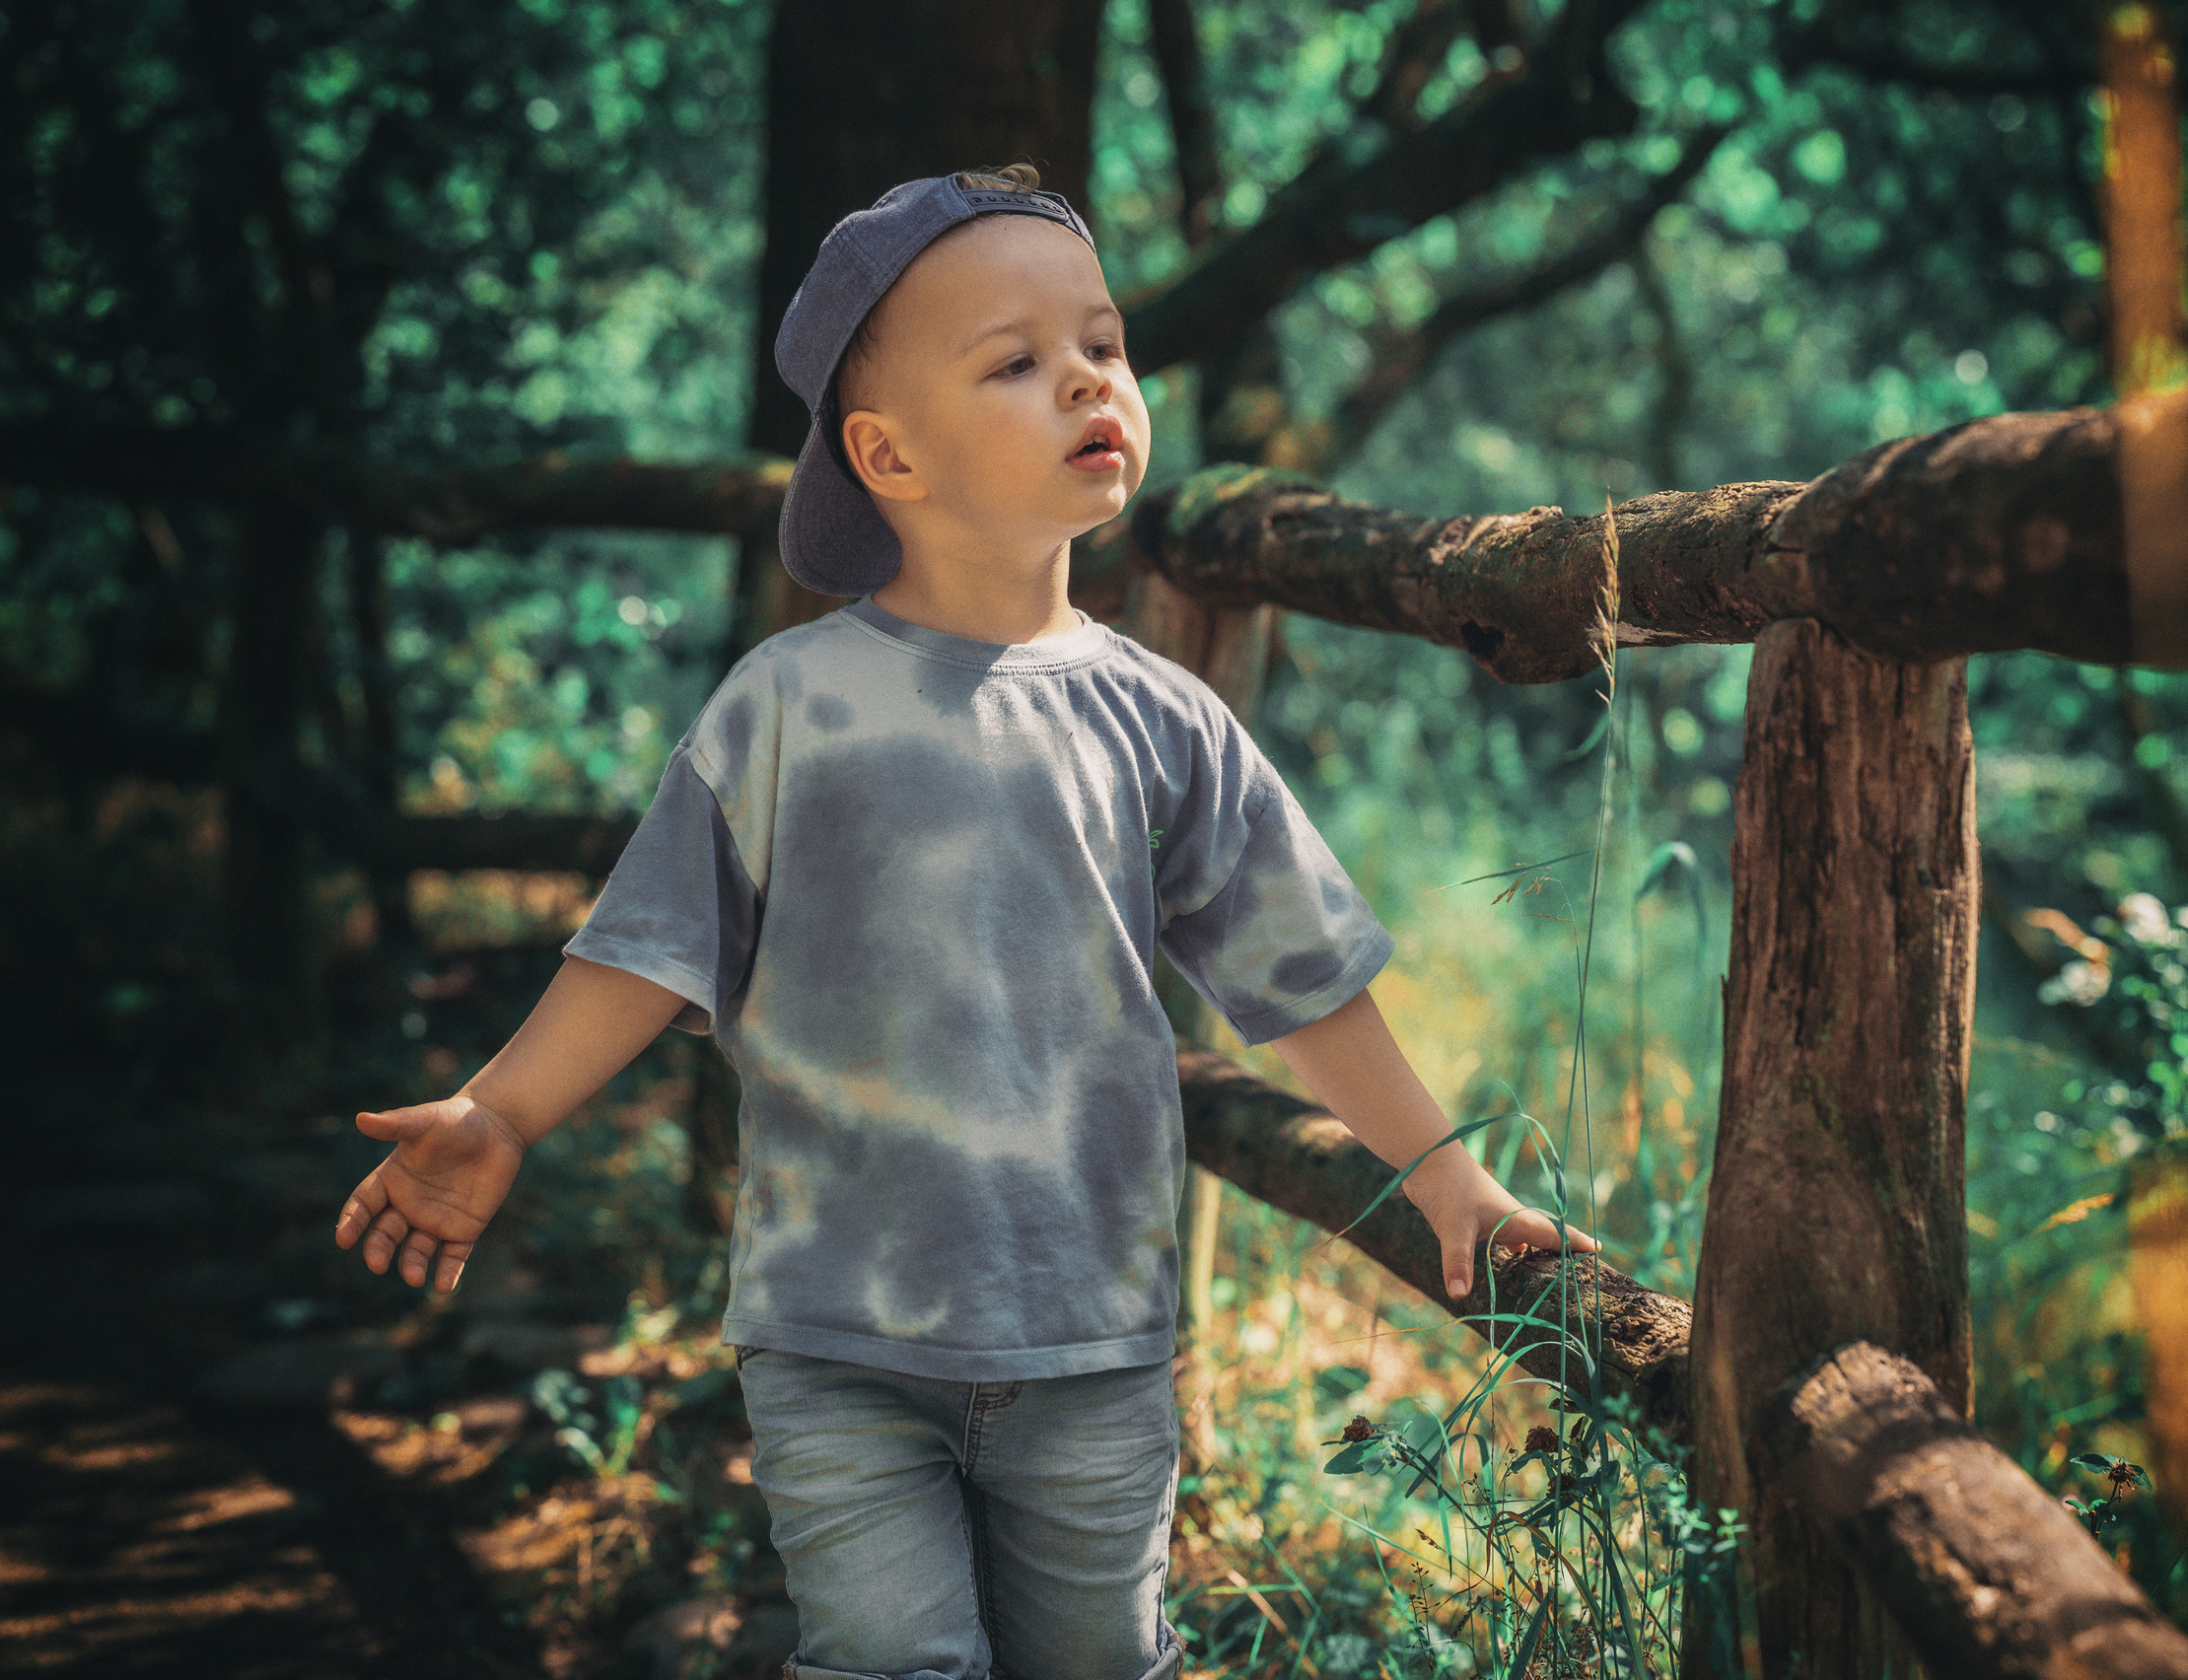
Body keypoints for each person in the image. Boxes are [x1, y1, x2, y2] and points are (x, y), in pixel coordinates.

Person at [333, 164, 1593, 1680]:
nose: (1087, 380)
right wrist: (499, 1112)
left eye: (1104, 346)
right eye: (1016, 361)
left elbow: (1301, 977)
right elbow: (647, 948)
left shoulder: (1165, 724)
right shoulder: (787, 710)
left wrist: (1445, 1177)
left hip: (1091, 1342)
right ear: (888, 455)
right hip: (835, 1337)